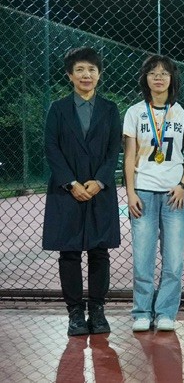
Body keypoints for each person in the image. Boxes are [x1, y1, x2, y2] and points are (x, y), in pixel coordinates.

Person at [43, 47, 121, 336]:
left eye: (91, 70)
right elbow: (51, 148)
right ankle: (75, 314)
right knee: (70, 252)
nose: (86, 75)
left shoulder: (110, 109)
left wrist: (100, 181)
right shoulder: (58, 108)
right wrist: (71, 183)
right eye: (80, 70)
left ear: (99, 74)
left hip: (100, 190)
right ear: (70, 75)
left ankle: (97, 311)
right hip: (67, 192)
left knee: (99, 252)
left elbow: (114, 150)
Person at [124, 55, 184, 332]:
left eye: (164, 73)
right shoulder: (134, 112)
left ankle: (166, 311)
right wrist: (130, 192)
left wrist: (183, 185)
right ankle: (142, 312)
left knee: (174, 259)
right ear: (145, 78)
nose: (158, 77)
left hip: (173, 194)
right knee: (142, 258)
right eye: (153, 72)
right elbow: (129, 157)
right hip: (143, 191)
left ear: (172, 78)